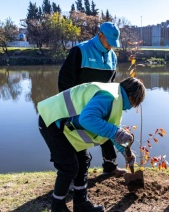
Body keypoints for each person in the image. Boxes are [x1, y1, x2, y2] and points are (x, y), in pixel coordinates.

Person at [38, 77, 145, 212]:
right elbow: (87, 119)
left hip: (66, 125)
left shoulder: (116, 97)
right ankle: (57, 206)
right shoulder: (109, 97)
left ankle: (81, 204)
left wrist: (125, 151)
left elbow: (111, 131)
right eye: (135, 103)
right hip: (52, 121)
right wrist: (116, 132)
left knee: (83, 161)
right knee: (69, 167)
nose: (131, 107)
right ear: (132, 98)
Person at [58, 22, 126, 177]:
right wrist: (66, 109)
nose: (111, 47)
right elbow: (64, 80)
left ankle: (110, 166)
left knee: (107, 131)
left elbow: (110, 83)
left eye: (113, 44)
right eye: (109, 42)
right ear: (99, 35)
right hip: (77, 104)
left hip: (100, 103)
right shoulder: (80, 51)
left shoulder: (112, 57)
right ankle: (77, 175)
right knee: (78, 139)